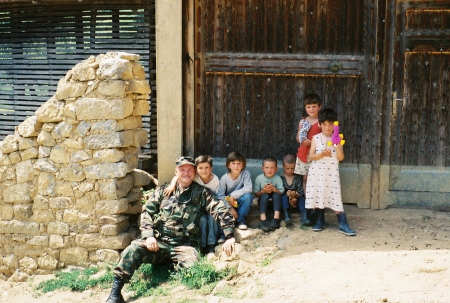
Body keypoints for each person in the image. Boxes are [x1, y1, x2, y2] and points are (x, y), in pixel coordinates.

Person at [105, 156, 236, 303]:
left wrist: (229, 235)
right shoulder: (163, 191)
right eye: (182, 170)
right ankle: (115, 294)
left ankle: (171, 270)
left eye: (190, 170)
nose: (186, 173)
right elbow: (147, 211)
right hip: (159, 243)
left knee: (191, 268)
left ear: (194, 173)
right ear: (176, 172)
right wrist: (148, 235)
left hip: (185, 246)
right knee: (133, 248)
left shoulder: (201, 193)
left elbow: (219, 209)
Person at [163, 155, 236, 258]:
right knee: (202, 220)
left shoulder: (215, 180)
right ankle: (201, 247)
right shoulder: (193, 178)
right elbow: (178, 176)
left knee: (212, 219)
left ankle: (211, 245)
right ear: (197, 170)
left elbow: (218, 198)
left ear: (211, 168)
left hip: (210, 204)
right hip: (199, 207)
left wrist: (230, 235)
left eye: (206, 168)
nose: (204, 171)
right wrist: (172, 185)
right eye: (200, 168)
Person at [305, 108, 356, 236]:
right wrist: (322, 154)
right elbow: (311, 156)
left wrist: (336, 146)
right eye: (325, 124)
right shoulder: (316, 138)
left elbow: (341, 157)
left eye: (331, 124)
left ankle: (343, 224)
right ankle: (320, 220)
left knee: (335, 196)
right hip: (317, 173)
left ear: (335, 124)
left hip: (331, 174)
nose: (328, 127)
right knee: (318, 195)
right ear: (320, 125)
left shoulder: (338, 138)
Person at [217, 152, 253, 230]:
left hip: (239, 201)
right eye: (233, 163)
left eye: (239, 163)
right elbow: (220, 195)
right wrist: (230, 208)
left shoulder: (245, 174)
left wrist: (233, 195)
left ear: (243, 165)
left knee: (248, 196)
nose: (236, 166)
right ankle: (229, 223)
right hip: (229, 202)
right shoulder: (224, 179)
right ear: (229, 165)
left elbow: (249, 188)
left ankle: (241, 221)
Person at [295, 93, 322, 197]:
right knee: (305, 178)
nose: (311, 109)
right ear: (305, 108)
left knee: (316, 179)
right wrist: (301, 136)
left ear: (320, 107)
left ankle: (316, 202)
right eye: (308, 107)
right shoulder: (303, 121)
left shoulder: (321, 122)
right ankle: (308, 201)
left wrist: (311, 142)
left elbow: (326, 138)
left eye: (314, 106)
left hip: (317, 155)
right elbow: (298, 138)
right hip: (304, 153)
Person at [254, 156, 284, 232]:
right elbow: (256, 193)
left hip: (275, 204)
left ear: (276, 169)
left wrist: (274, 189)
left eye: (272, 168)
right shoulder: (259, 178)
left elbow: (281, 192)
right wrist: (263, 191)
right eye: (267, 167)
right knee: (264, 195)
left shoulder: (277, 178)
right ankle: (263, 217)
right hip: (263, 203)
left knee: (276, 195)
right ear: (262, 168)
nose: (269, 170)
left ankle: (276, 217)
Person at [279, 154, 308, 226]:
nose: (290, 171)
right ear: (283, 166)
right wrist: (287, 193)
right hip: (286, 199)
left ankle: (304, 217)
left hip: (296, 198)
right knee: (283, 198)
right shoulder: (280, 177)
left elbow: (301, 190)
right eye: (287, 168)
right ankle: (287, 216)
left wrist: (296, 194)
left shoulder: (297, 177)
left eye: (293, 168)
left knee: (302, 199)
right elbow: (279, 190)